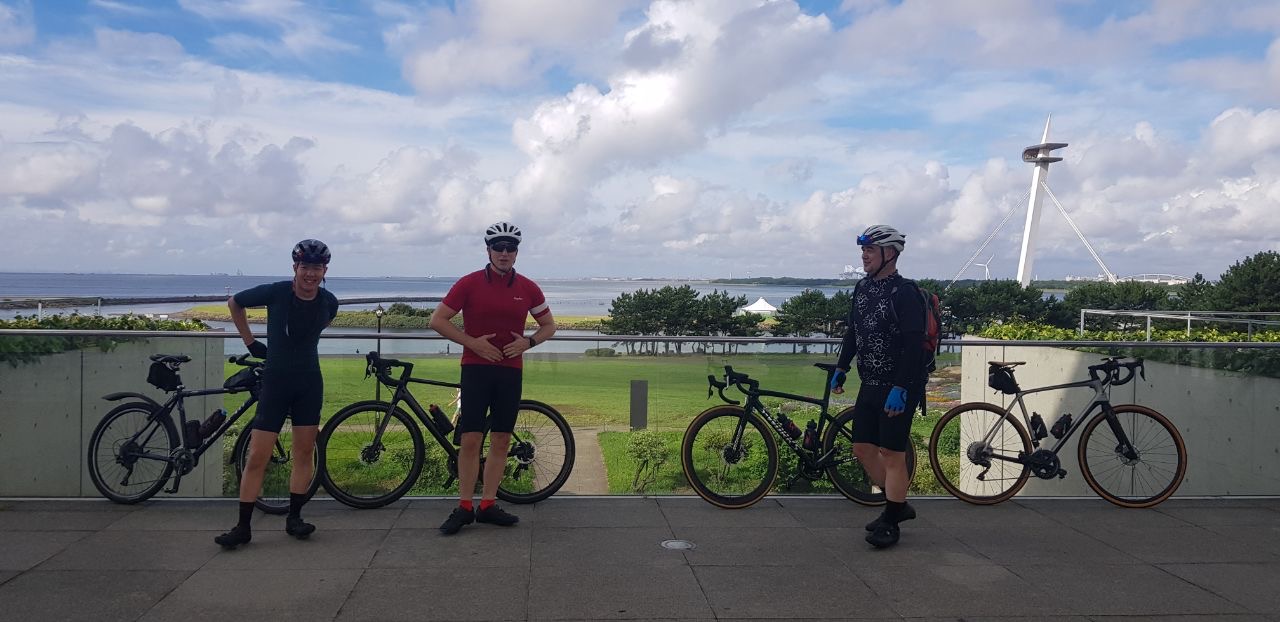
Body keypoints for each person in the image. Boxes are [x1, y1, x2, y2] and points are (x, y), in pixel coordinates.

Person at [429, 221, 556, 535]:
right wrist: (472, 342)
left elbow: (549, 326)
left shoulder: (528, 288)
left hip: (510, 372)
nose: (504, 253)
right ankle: (463, 506)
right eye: (498, 247)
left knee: (501, 439)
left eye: (510, 248)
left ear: (516, 253)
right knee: (471, 439)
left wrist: (528, 342)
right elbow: (438, 320)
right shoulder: (469, 283)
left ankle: (487, 505)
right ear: (488, 250)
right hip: (475, 369)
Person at [215, 239, 339, 548]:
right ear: (295, 267)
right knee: (258, 454)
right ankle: (243, 526)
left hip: (310, 381)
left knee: (303, 452)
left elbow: (315, 328)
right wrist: (250, 342)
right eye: (305, 267)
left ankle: (294, 518)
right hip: (276, 381)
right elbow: (235, 303)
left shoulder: (329, 301)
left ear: (324, 270)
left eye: (317, 268)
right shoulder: (277, 292)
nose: (310, 274)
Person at [829, 225, 925, 549]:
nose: (864, 256)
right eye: (863, 250)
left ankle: (892, 520)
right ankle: (898, 506)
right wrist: (841, 367)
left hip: (899, 385)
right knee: (863, 448)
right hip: (869, 383)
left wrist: (901, 387)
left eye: (870, 250)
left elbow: (915, 346)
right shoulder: (863, 288)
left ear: (890, 254)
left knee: (893, 454)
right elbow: (853, 333)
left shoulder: (906, 293)